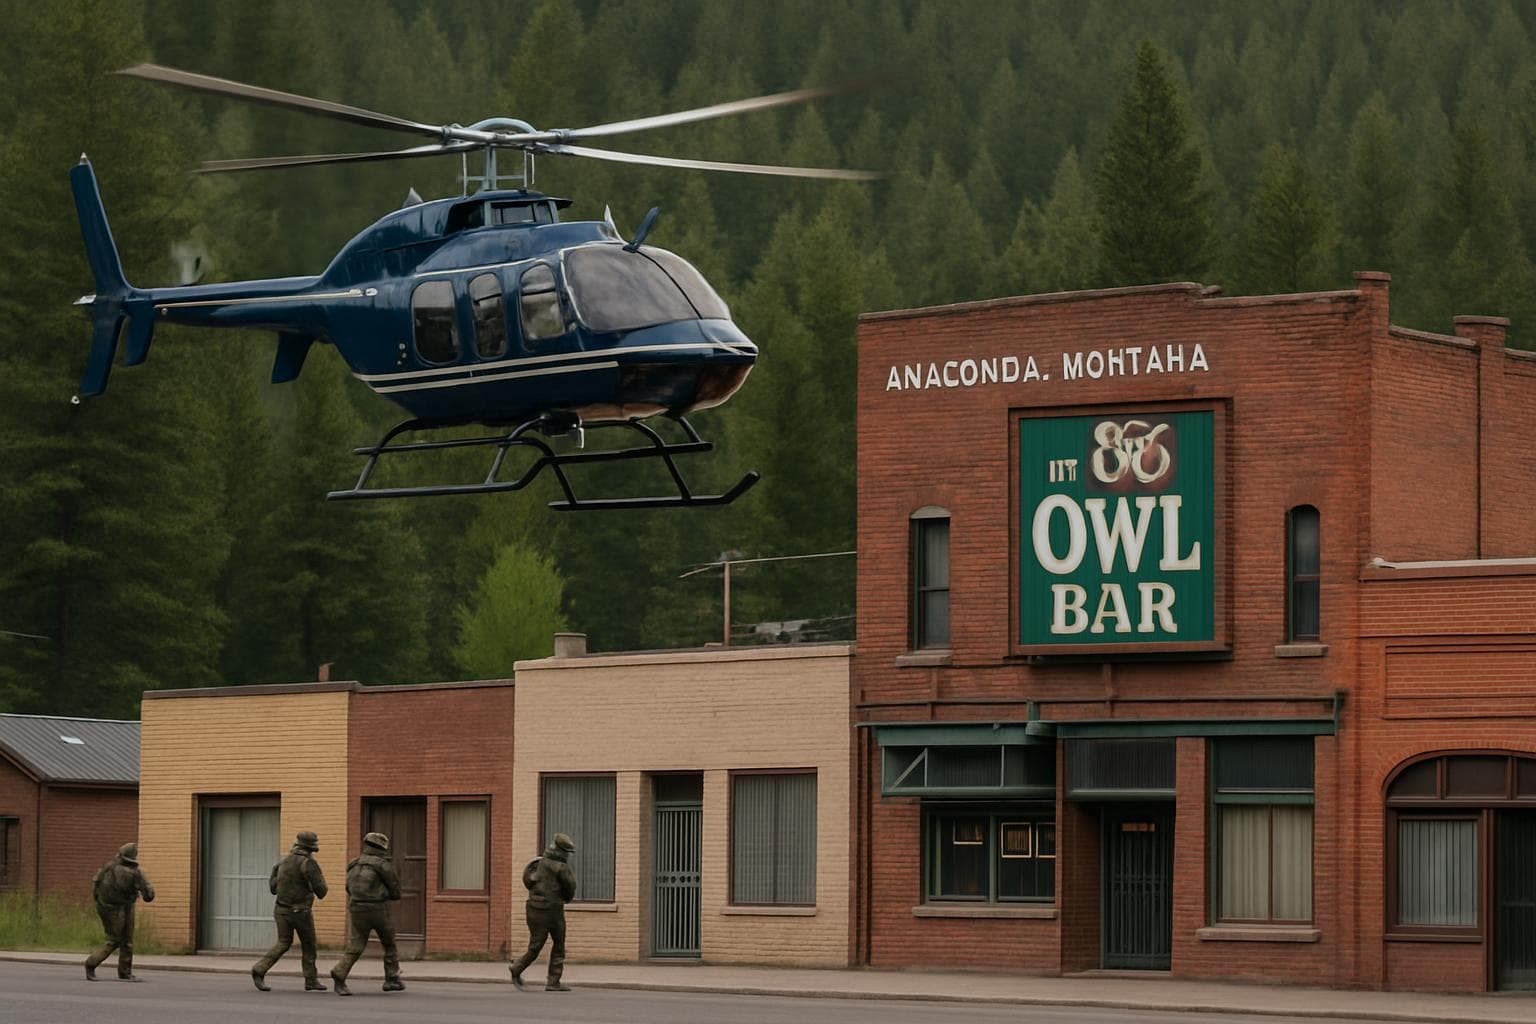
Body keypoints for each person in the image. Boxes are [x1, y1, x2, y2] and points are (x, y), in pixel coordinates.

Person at [251, 830, 329, 992]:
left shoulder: (281, 863)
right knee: (309, 945)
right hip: (300, 911)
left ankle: (260, 968)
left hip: (280, 910)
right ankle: (311, 980)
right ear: (311, 848)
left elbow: (273, 889)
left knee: (283, 942)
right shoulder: (308, 863)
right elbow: (322, 891)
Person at [329, 831, 403, 996]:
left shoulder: (353, 863)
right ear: (382, 847)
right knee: (389, 943)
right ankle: (391, 979)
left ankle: (340, 972)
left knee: (356, 945)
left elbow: (348, 888)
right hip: (378, 909)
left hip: (356, 908)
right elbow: (396, 891)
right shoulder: (383, 865)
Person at [509, 832, 577, 993]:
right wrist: (565, 899)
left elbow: (528, 880)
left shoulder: (539, 862)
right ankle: (551, 980)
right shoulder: (561, 867)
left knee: (535, 945)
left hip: (533, 907)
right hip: (552, 910)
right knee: (558, 944)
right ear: (562, 851)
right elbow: (571, 887)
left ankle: (520, 969)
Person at [85, 843, 155, 982]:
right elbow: (149, 895)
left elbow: (96, 886)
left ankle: (125, 971)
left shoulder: (108, 867)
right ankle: (91, 964)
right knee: (115, 940)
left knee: (126, 940)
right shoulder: (136, 873)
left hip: (105, 907)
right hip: (122, 907)